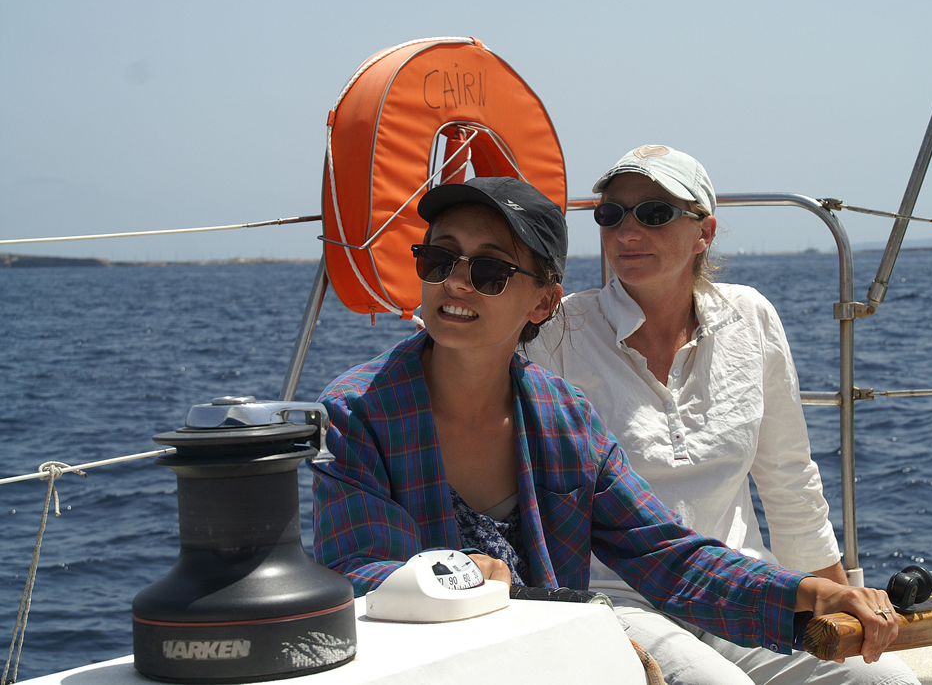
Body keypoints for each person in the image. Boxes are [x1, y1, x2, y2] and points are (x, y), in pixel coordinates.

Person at [311, 175, 901, 664]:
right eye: (439, 259)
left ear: (543, 302)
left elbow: (666, 555)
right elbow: (355, 570)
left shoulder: (566, 419)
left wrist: (809, 594)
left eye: (490, 271)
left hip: (550, 654)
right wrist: (456, 577)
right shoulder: (358, 412)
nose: (457, 281)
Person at [525, 147, 919, 685]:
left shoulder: (751, 317)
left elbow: (788, 478)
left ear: (704, 232)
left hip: (740, 589)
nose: (627, 231)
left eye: (654, 213)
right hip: (619, 600)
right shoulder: (558, 332)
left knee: (886, 680)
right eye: (611, 214)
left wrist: (835, 597)